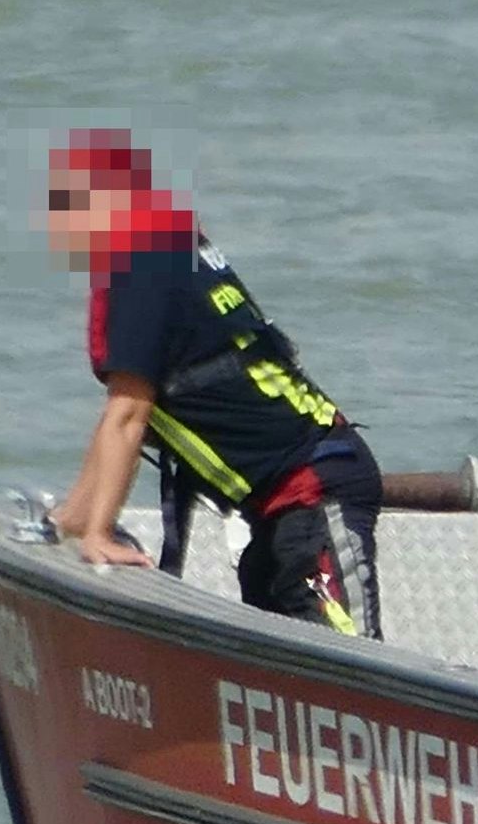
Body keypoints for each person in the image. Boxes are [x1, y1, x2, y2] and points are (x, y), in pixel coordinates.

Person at [43, 130, 386, 637]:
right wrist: (73, 518)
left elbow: (128, 417)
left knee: (353, 665)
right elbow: (123, 409)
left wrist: (98, 534)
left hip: (315, 488)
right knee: (281, 667)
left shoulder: (146, 264)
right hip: (277, 509)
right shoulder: (169, 255)